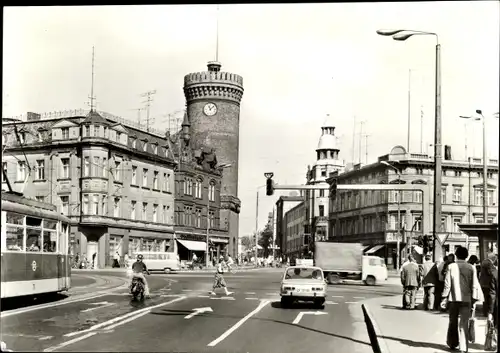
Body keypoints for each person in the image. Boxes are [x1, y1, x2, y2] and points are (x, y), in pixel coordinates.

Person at [441, 246, 483, 353]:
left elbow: (447, 284)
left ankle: (452, 342)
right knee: (464, 322)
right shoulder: (471, 267)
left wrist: (444, 297)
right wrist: (474, 299)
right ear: (466, 256)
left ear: (456, 255)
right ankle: (463, 346)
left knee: (452, 321)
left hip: (454, 299)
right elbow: (474, 284)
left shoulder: (451, 266)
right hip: (467, 299)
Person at [480, 251, 498, 317]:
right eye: (495, 258)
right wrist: (495, 269)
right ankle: (487, 312)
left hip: (484, 283)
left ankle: (486, 312)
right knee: (488, 299)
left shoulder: (485, 261)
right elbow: (491, 272)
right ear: (493, 257)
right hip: (487, 284)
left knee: (486, 299)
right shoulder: (488, 263)